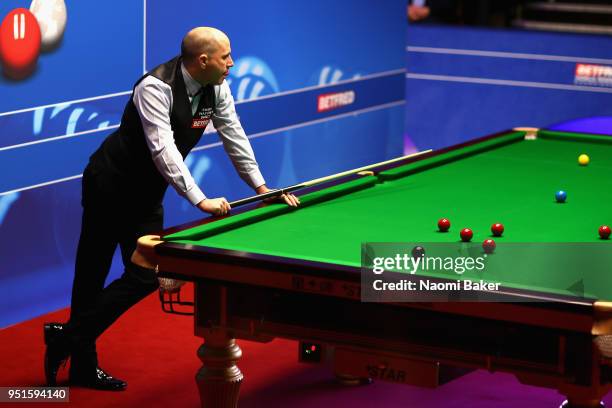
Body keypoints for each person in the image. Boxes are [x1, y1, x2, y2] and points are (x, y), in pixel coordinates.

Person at [43, 26, 299, 391]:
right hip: (110, 185)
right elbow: (163, 150)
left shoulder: (217, 88)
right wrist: (199, 199)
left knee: (146, 276)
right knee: (91, 274)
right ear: (203, 60)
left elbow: (235, 137)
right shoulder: (155, 87)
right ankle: (83, 365)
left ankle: (66, 337)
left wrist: (261, 188)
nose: (233, 63)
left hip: (147, 194)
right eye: (226, 56)